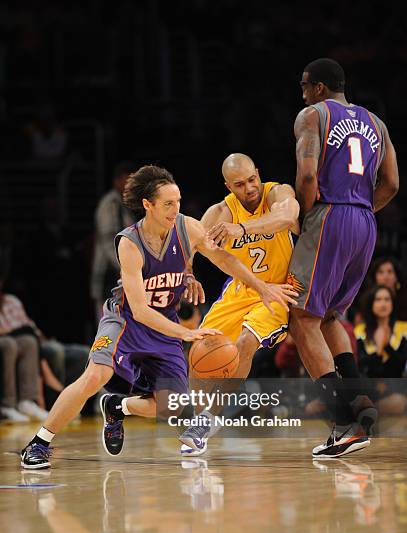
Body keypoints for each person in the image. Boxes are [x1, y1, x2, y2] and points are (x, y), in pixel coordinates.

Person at [20, 165, 292, 469]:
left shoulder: (188, 228)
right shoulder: (129, 243)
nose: (176, 209)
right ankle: (40, 442)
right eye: (167, 204)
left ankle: (117, 407)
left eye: (178, 201)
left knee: (172, 407)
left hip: (163, 324)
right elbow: (139, 309)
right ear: (147, 205)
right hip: (125, 320)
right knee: (96, 375)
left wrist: (261, 286)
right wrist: (185, 334)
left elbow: (223, 258)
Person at [287, 58, 399, 458]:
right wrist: (363, 209)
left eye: (304, 85)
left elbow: (306, 177)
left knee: (300, 318)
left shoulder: (312, 115)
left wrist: (305, 217)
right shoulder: (376, 123)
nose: (301, 92)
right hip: (365, 221)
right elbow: (392, 183)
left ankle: (343, 422)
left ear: (319, 87)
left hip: (329, 214)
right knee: (331, 315)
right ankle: (361, 403)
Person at [178, 153, 300, 454]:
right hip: (240, 290)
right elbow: (188, 243)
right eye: (239, 184)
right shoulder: (221, 211)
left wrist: (243, 229)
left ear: (258, 173)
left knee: (246, 341)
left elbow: (289, 216)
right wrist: (188, 272)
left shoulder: (275, 193)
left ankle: (210, 417)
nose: (249, 188)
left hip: (277, 290)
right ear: (228, 186)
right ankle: (201, 417)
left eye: (251, 179)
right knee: (201, 348)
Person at [90, 161, 136, 320]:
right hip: (108, 272)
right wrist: (124, 265)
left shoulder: (125, 205)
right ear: (117, 181)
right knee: (108, 325)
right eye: (127, 180)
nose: (131, 184)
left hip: (121, 273)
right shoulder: (109, 204)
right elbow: (108, 241)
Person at [0, 280, 49, 422]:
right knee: (9, 345)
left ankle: (26, 401)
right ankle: (7, 405)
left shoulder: (11, 301)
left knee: (28, 342)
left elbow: (29, 326)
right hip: (7, 341)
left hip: (12, 338)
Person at [354, 285, 407, 415]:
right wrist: (379, 351)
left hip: (397, 391)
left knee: (398, 402)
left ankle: (365, 411)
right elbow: (361, 366)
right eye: (378, 299)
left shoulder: (403, 330)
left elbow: (400, 365)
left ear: (392, 303)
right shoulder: (360, 332)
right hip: (368, 390)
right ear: (371, 304)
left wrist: (386, 346)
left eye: (387, 299)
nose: (383, 303)